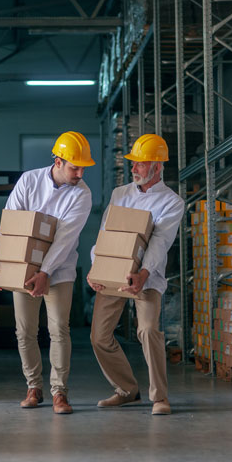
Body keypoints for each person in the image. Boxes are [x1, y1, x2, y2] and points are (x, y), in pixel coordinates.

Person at [0, 131, 94, 415]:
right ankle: (33, 387)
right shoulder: (29, 181)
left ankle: (60, 392)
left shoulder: (82, 194)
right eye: (75, 167)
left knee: (59, 328)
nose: (80, 173)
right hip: (22, 269)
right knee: (24, 330)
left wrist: (46, 271)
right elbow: (10, 222)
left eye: (83, 167)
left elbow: (65, 239)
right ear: (58, 161)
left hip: (59, 271)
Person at [87, 133, 183, 415]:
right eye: (134, 163)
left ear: (157, 166)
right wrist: (96, 265)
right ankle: (127, 390)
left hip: (147, 278)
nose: (134, 168)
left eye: (140, 164)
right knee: (99, 337)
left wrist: (142, 273)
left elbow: (159, 242)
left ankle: (159, 397)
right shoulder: (121, 194)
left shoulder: (171, 202)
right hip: (113, 273)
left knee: (148, 329)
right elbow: (106, 234)